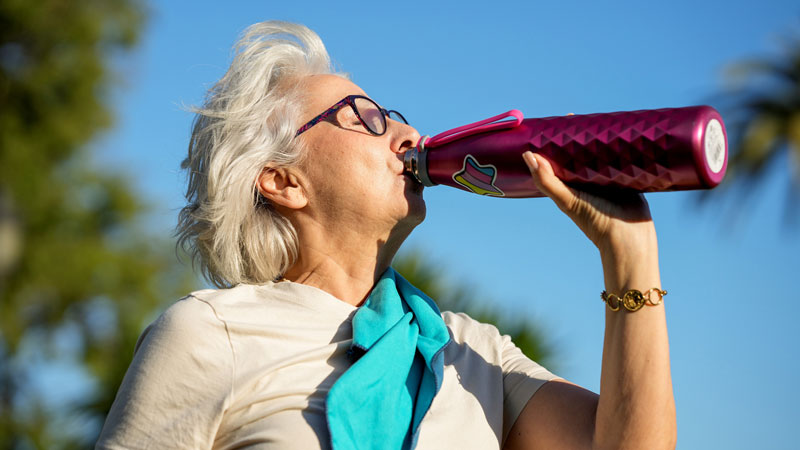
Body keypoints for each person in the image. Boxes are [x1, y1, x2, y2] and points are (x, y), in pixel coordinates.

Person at [96, 21, 676, 450]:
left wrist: (630, 255)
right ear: (281, 180)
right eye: (363, 116)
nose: (408, 133)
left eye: (392, 113)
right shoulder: (209, 334)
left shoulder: (471, 351)